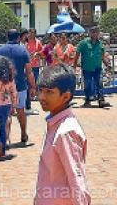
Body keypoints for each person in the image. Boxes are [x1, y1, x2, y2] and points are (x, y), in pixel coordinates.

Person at [34, 64, 90, 205]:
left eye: (49, 92)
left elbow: (76, 178)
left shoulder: (66, 132)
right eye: (40, 90)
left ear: (65, 96)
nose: (41, 97)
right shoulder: (55, 124)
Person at [0, 29, 37, 147]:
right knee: (20, 111)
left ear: (7, 37)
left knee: (6, 113)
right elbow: (29, 72)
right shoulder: (23, 51)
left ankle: (5, 138)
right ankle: (23, 133)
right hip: (20, 86)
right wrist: (33, 86)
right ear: (18, 38)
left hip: (3, 86)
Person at [75, 26, 111, 108]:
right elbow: (77, 53)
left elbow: (102, 56)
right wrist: (75, 64)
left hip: (97, 67)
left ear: (98, 34)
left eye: (96, 32)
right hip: (87, 68)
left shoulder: (100, 43)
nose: (95, 34)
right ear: (90, 33)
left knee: (99, 83)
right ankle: (87, 100)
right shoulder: (83, 43)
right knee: (87, 84)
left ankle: (101, 100)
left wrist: (107, 64)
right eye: (93, 32)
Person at [25, 28, 43, 114]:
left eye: (33, 33)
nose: (32, 34)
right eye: (30, 33)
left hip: (35, 65)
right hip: (26, 66)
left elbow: (42, 52)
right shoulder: (25, 42)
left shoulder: (38, 42)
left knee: (34, 83)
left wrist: (37, 53)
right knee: (27, 84)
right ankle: (27, 102)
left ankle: (31, 97)